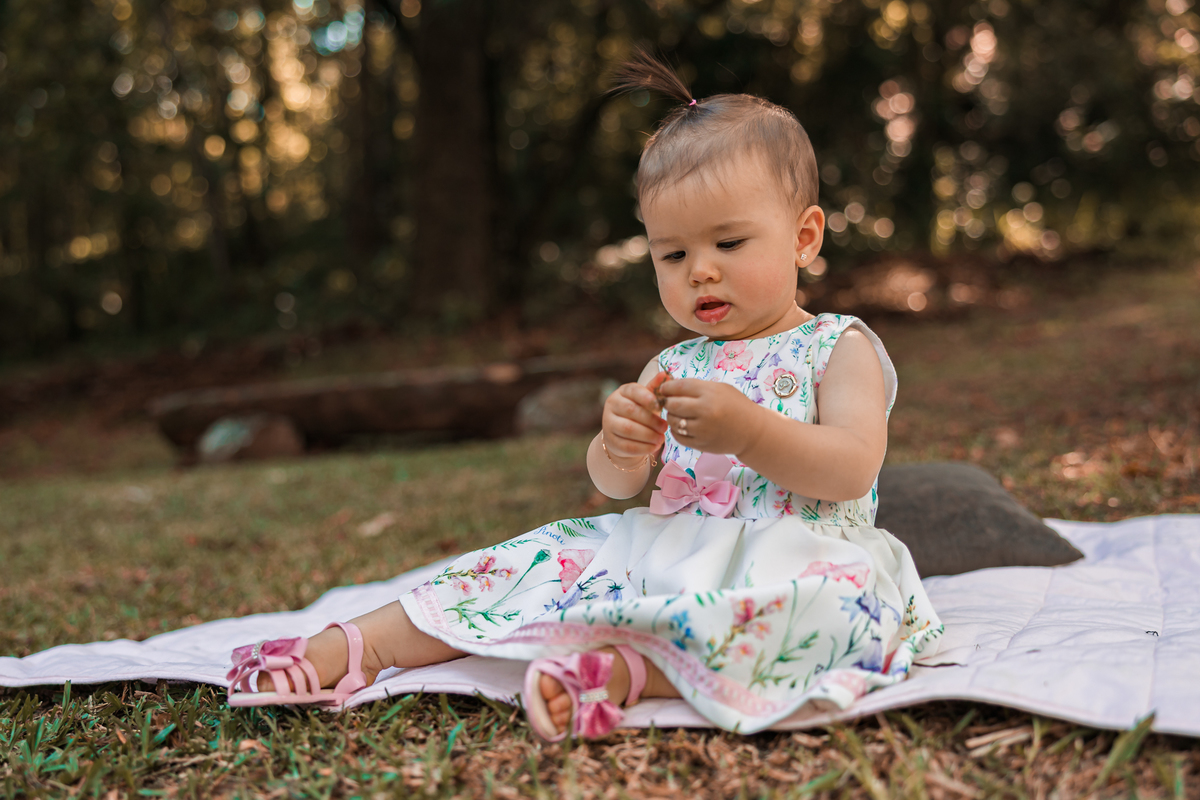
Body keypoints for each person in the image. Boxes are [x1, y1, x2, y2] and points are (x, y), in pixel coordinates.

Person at [225, 52, 943, 739]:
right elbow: (616, 485)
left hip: (801, 556)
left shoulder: (839, 347)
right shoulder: (675, 361)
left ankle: (625, 671)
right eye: (673, 254)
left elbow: (852, 466)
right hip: (669, 548)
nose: (700, 273)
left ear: (804, 237)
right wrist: (618, 443)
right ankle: (356, 647)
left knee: (837, 614)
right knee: (532, 562)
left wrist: (750, 432)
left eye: (728, 243)